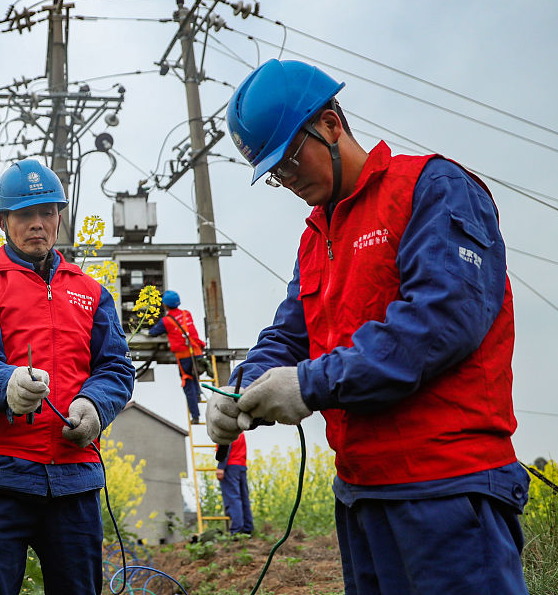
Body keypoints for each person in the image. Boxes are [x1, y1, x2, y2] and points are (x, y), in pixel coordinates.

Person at [206, 60, 530, 595]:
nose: (288, 179)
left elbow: (441, 321)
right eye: (275, 173)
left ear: (330, 124)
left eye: (290, 159)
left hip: (447, 488)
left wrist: (308, 384)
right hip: (362, 493)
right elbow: (291, 334)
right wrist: (242, 388)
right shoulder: (318, 234)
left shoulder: (432, 188)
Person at [0, 158, 135, 595]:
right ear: (2, 221)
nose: (37, 224)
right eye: (25, 214)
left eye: (47, 212)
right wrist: (7, 385)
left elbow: (116, 367)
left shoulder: (91, 292)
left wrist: (94, 406)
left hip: (74, 479)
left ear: (59, 217)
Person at [146, 290, 207, 422]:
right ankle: (198, 395)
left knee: (187, 382)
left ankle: (195, 416)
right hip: (197, 353)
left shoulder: (166, 321)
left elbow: (152, 332)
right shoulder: (186, 314)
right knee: (194, 375)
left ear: (165, 305)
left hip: (184, 356)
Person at [215, 434, 253, 535]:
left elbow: (225, 447)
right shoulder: (240, 431)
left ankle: (236, 530)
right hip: (241, 465)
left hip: (230, 466)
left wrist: (221, 467)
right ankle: (247, 529)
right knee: (244, 498)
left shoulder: (227, 429)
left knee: (233, 498)